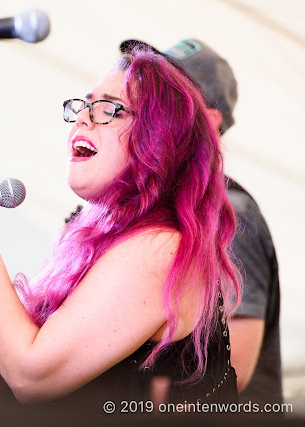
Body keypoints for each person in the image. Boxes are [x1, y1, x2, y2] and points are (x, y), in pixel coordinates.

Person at [0, 46, 241, 416]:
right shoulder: (108, 238)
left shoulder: (160, 249)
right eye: (83, 106)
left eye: (108, 109)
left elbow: (31, 375)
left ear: (159, 139)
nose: (83, 120)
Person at [119, 39, 282, 406]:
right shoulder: (177, 206)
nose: (151, 101)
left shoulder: (229, 213)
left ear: (208, 121)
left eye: (172, 94)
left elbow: (231, 369)